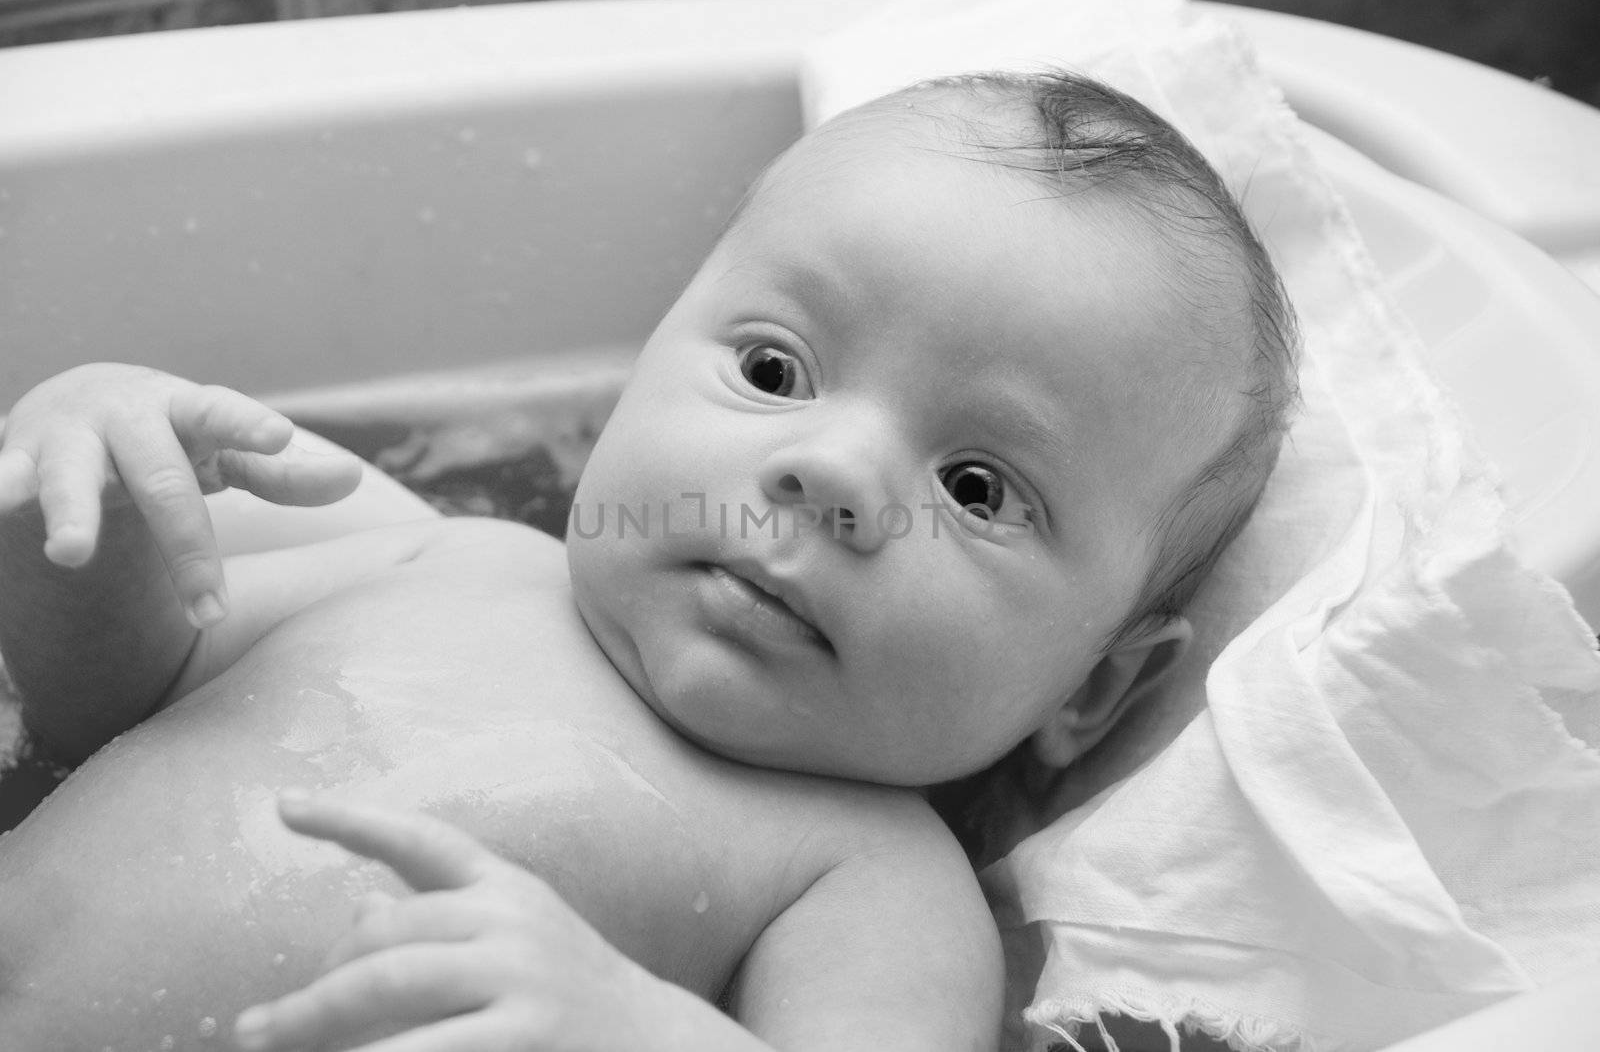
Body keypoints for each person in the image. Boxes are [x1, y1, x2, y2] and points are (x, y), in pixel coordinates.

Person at [0, 69, 1296, 1051]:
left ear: (1091, 692)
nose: (831, 474)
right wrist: (80, 495)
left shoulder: (864, 878)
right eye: (775, 369)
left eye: (976, 486)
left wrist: (636, 1027)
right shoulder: (441, 558)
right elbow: (99, 704)